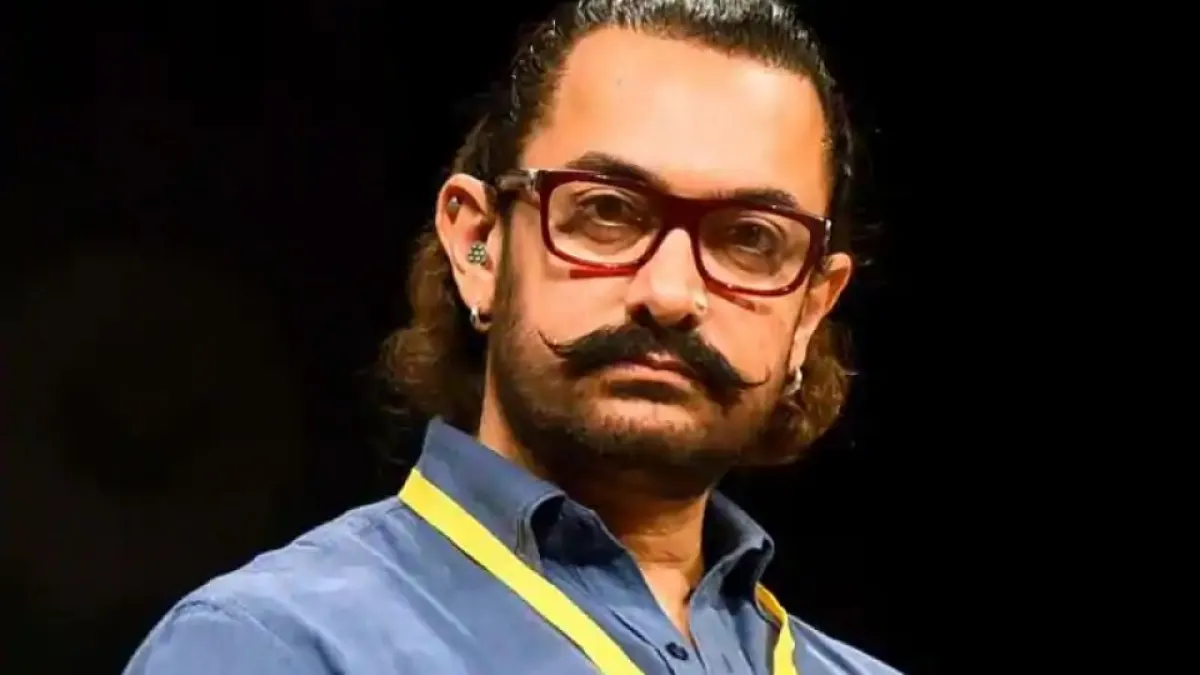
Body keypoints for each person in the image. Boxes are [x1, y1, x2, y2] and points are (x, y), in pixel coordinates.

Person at [124, 0, 900, 673]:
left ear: (810, 310)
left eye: (751, 238)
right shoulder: (274, 647)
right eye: (607, 211)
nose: (669, 293)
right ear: (478, 246)